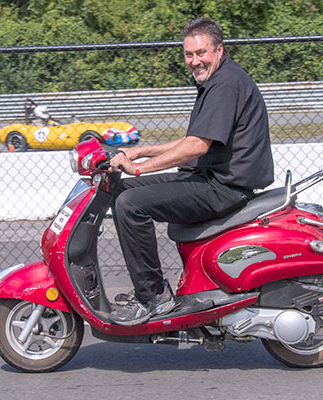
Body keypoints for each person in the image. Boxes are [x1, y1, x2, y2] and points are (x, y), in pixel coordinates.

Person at [108, 17, 274, 326]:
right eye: (189, 54)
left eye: (201, 53)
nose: (195, 61)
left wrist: (140, 168)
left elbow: (197, 146)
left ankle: (154, 296)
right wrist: (137, 150)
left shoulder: (224, 84)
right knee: (121, 192)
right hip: (209, 178)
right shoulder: (216, 81)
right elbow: (191, 140)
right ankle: (151, 290)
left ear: (219, 50)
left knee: (130, 205)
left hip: (223, 186)